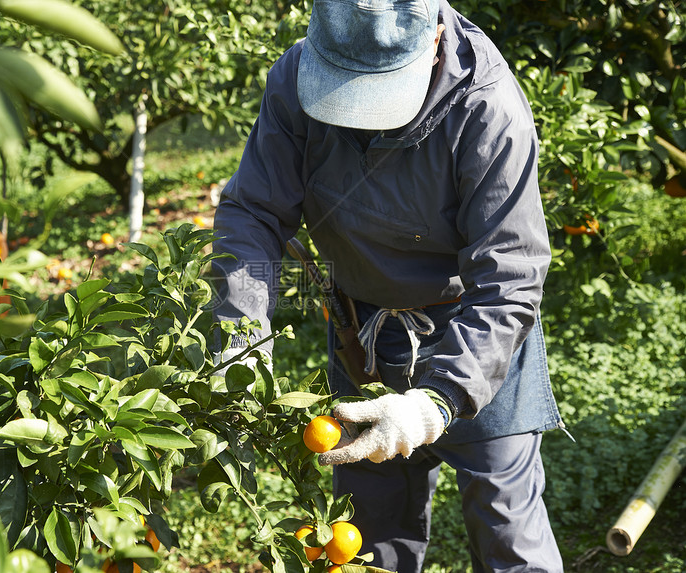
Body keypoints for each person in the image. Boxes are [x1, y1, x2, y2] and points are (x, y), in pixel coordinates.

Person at [211, 0, 567, 571]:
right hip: (365, 334)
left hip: (474, 332)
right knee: (370, 536)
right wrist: (239, 331)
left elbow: (510, 276)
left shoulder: (485, 106)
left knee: (507, 528)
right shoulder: (294, 80)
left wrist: (437, 401)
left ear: (433, 41)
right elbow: (254, 212)